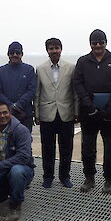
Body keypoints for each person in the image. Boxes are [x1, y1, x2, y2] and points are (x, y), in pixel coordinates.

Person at [73, 29, 111, 194]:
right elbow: (78, 84)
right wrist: (90, 106)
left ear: (105, 42)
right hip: (89, 113)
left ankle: (109, 180)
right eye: (94, 42)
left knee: (110, 148)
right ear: (90, 44)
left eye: (100, 42)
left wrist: (110, 109)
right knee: (87, 148)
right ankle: (89, 178)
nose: (98, 45)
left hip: (110, 114)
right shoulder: (82, 61)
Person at [35, 38, 79, 188]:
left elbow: (75, 92)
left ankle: (64, 176)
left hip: (66, 113)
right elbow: (37, 93)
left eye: (57, 48)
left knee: (66, 148)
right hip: (47, 114)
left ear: (61, 49)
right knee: (47, 148)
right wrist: (37, 114)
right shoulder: (40, 68)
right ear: (47, 50)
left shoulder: (71, 67)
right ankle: (48, 177)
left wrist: (77, 112)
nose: (54, 51)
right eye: (51, 48)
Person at [0, 41, 37, 132]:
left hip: (25, 113)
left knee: (25, 141)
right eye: (12, 53)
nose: (14, 55)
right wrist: (10, 105)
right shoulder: (1, 71)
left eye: (17, 53)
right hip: (5, 114)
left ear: (22, 54)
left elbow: (32, 90)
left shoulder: (29, 70)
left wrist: (19, 105)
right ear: (8, 54)